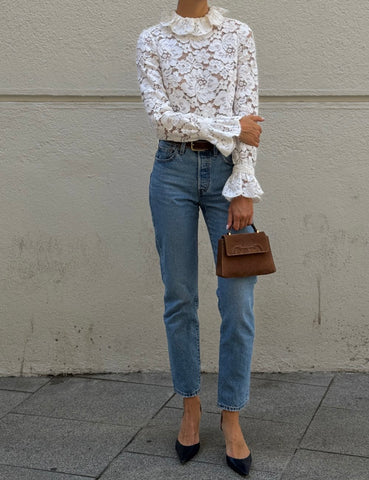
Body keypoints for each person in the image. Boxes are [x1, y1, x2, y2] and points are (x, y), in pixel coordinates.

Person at [136, 0, 264, 476]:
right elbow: (161, 117)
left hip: (228, 172)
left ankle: (232, 415)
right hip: (170, 171)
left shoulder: (238, 34)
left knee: (237, 301)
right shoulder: (152, 39)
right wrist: (232, 128)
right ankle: (190, 405)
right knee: (180, 296)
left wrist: (244, 185)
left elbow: (250, 112)